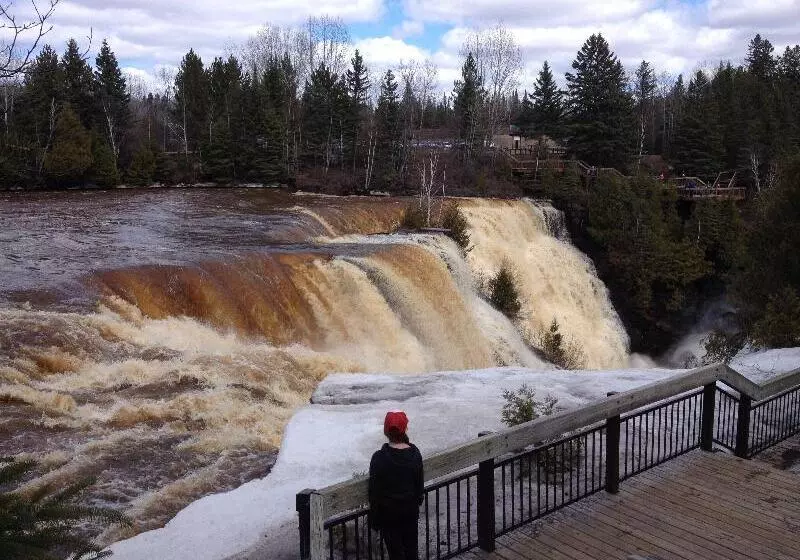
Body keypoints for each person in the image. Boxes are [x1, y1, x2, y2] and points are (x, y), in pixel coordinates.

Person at [369, 411, 424, 560]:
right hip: (410, 510)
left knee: (395, 553)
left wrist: (374, 522)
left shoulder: (379, 458)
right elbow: (419, 485)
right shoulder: (415, 454)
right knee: (411, 551)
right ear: (405, 429)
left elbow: (374, 492)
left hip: (389, 514)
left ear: (386, 431)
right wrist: (418, 501)